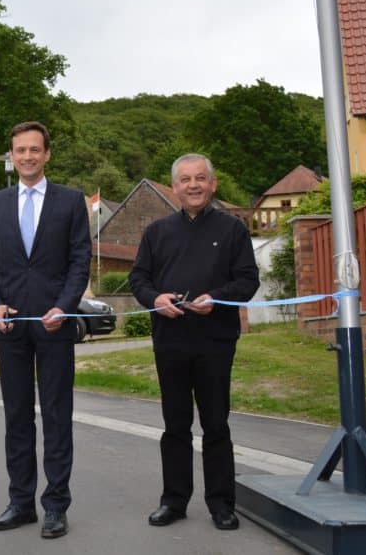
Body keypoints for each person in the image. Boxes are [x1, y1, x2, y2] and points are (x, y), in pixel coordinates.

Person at [128, 153, 259, 532]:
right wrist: (155, 299)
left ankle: (221, 503)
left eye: (201, 178)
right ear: (174, 188)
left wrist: (216, 298)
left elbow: (247, 280)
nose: (194, 185)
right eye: (185, 180)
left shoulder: (233, 230)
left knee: (216, 423)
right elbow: (139, 279)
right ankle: (174, 500)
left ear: (213, 184)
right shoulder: (156, 232)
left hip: (215, 340)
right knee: (175, 424)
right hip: (170, 340)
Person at [0, 121, 91, 539]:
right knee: (17, 417)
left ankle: (55, 505)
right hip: (11, 329)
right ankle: (20, 502)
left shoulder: (71, 201)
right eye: (19, 151)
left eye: (34, 150)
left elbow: (80, 262)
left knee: (57, 417)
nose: (26, 157)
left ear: (47, 155)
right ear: (12, 155)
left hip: (55, 325)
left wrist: (64, 305)